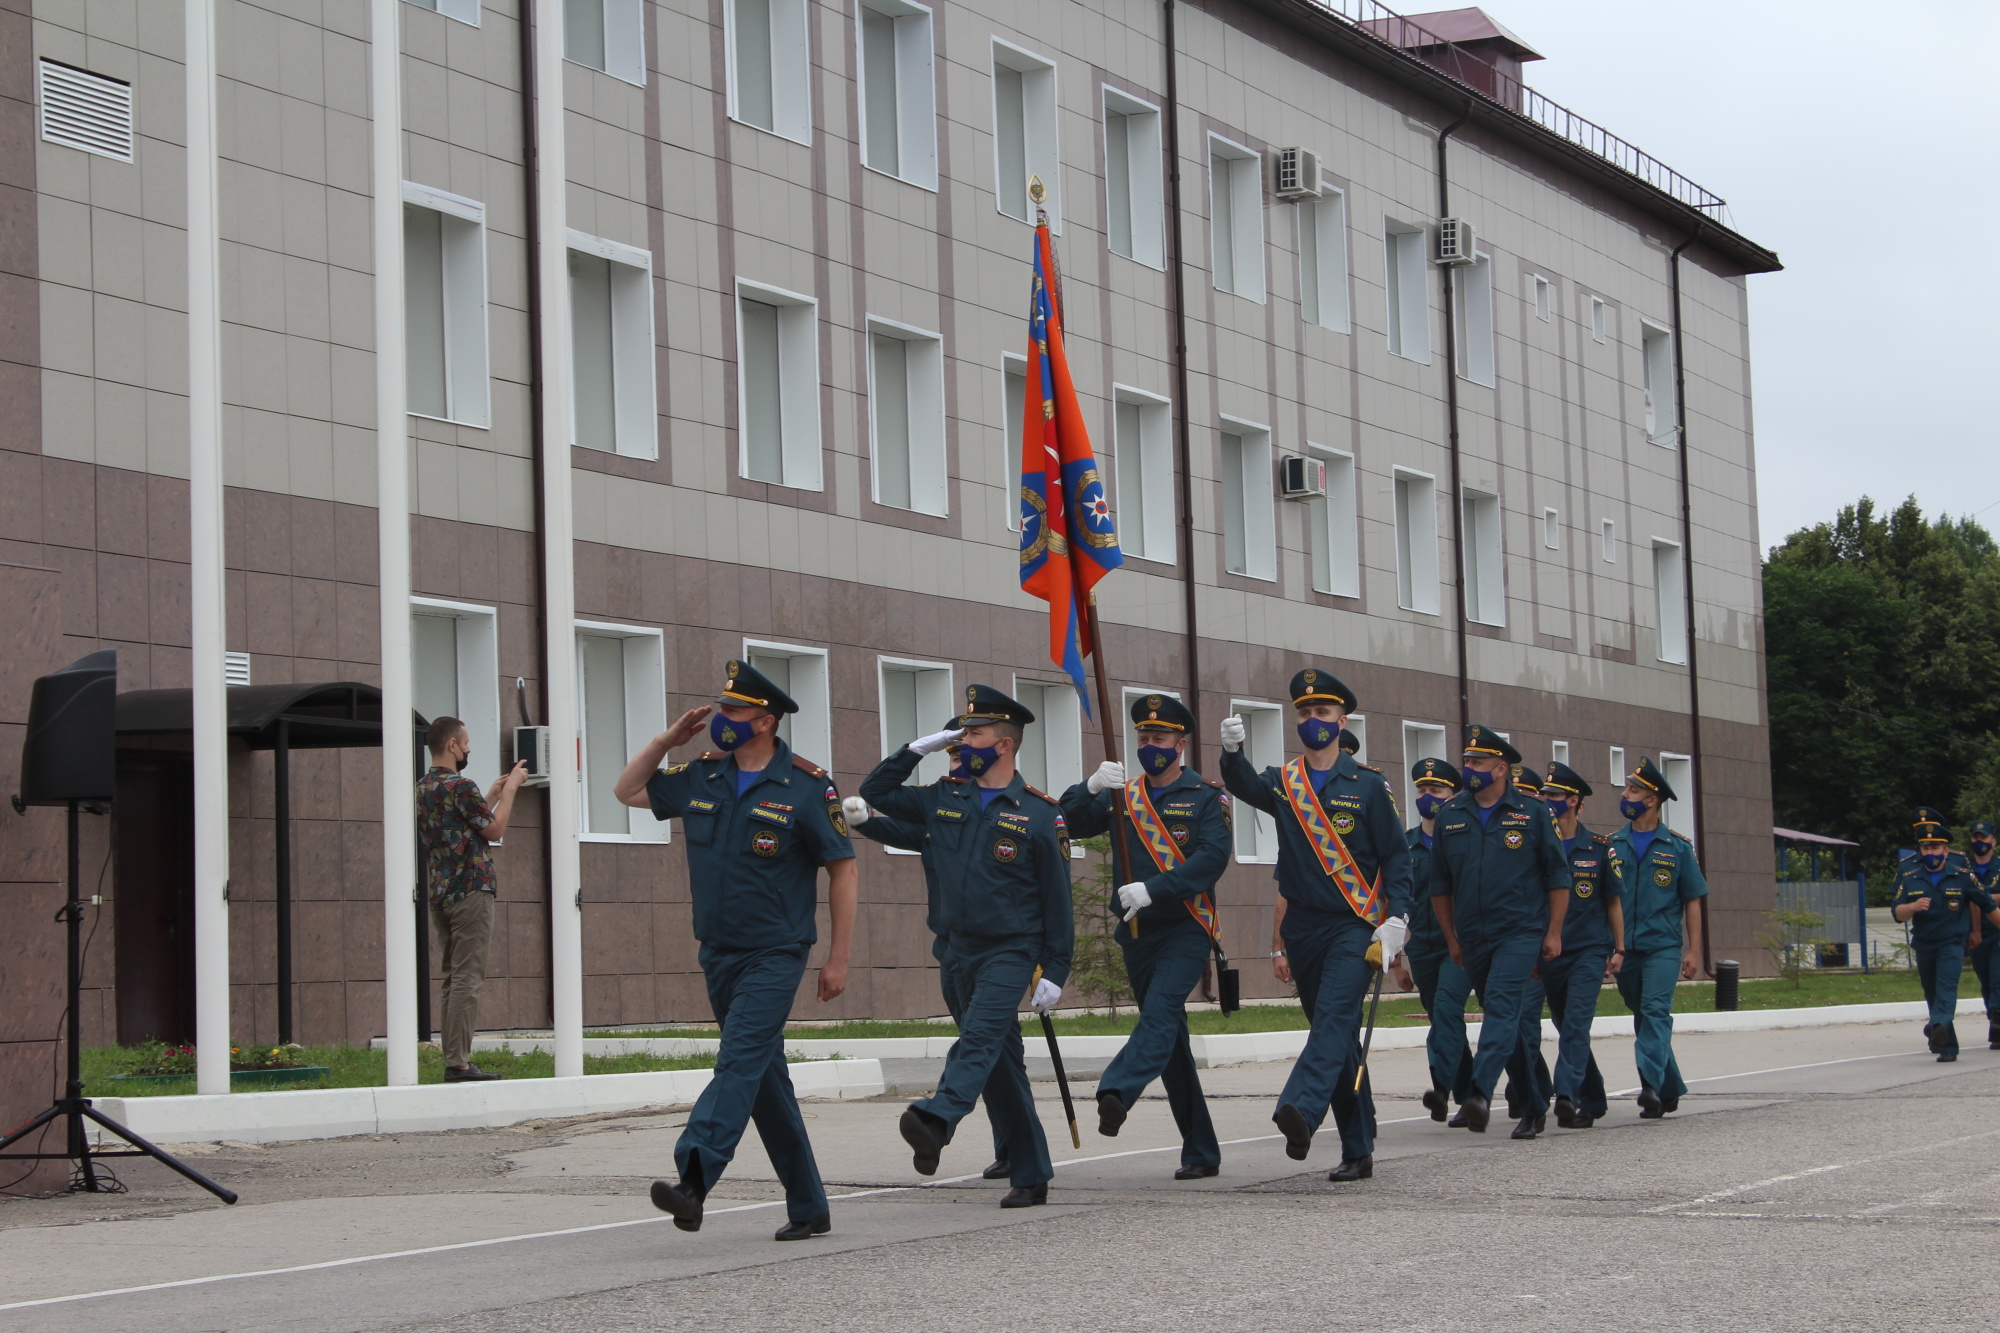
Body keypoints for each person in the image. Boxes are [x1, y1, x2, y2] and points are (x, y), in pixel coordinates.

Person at [612, 659, 857, 1242]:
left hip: (776, 951)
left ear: (765, 721)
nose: (721, 719)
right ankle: (809, 1206)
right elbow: (626, 791)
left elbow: (842, 872)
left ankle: (694, 1179)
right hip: (718, 952)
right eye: (720, 709)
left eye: (733, 711)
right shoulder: (705, 773)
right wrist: (665, 741)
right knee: (763, 1080)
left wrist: (838, 958)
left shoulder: (805, 784)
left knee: (739, 1060)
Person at [861, 684, 1074, 1209]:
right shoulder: (942, 799)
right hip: (954, 951)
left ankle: (938, 1118)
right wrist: (918, 749)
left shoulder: (1040, 815)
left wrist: (1057, 969)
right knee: (998, 1064)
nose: (963, 741)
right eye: (958, 734)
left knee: (979, 1039)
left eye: (973, 734)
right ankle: (1031, 1171)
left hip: (1011, 951)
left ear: (1003, 745)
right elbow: (876, 792)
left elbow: (1057, 901)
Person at [1220, 667, 1410, 1182]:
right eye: (1303, 713)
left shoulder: (1369, 785)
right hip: (1304, 928)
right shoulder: (1285, 784)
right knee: (1339, 1035)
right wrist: (1232, 755)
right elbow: (1242, 787)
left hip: (1354, 926)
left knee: (1331, 1020)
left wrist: (1398, 918)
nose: (1312, 720)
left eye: (1321, 713)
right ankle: (1359, 1145)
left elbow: (1397, 857)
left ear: (1341, 720)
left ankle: (1301, 1109)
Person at [1059, 693, 1231, 1179]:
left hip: (1186, 927)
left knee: (1159, 1014)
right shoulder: (1123, 795)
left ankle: (1117, 1090)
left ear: (1180, 743)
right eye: (1143, 737)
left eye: (1159, 738)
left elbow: (1211, 859)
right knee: (1170, 1043)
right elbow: (1066, 824)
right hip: (1137, 933)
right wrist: (1089, 787)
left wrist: (1156, 888)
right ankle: (1200, 1150)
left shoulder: (1205, 797)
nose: (1150, 744)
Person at [843, 743, 1015, 1182]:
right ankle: (1008, 1146)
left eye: (962, 759)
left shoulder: (1011, 812)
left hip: (998, 953)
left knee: (991, 1050)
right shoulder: (939, 815)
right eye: (951, 759)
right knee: (991, 1054)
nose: (955, 767)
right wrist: (866, 822)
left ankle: (949, 1129)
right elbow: (897, 822)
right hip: (952, 952)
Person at [1428, 725, 1568, 1137]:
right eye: (1467, 761)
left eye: (1477, 762)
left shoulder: (1533, 812)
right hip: (1473, 936)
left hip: (1520, 931)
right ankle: (1535, 1103)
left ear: (1501, 768)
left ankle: (1479, 1093)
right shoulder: (1451, 814)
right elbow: (1440, 886)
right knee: (1506, 1022)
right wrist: (1452, 938)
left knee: (1503, 1008)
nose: (1468, 768)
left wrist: (1554, 932)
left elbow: (1558, 879)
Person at [415, 717, 529, 1084]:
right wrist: (510, 789)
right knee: (468, 978)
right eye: (465, 743)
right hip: (471, 890)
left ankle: (455, 1057)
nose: (468, 749)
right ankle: (459, 1064)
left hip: (440, 892)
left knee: (453, 977)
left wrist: (491, 795)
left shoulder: (424, 788)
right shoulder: (461, 785)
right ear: (451, 745)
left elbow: (460, 826)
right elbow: (492, 831)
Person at [1608, 757, 1704, 1116]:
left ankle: (1648, 1083)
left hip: (1662, 946)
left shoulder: (1678, 847)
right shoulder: (1612, 844)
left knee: (1654, 1011)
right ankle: (1668, 1086)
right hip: (1625, 948)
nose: (1625, 794)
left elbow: (1692, 901)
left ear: (1652, 800)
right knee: (1642, 1014)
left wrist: (1693, 950)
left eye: (1634, 790)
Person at [1539, 761, 1623, 1128]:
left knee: (1576, 1024)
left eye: (1554, 795)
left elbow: (1613, 902)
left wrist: (1620, 949)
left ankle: (1566, 1093)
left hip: (1589, 950)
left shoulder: (1600, 848)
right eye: (1544, 794)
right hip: (1551, 952)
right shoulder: (1540, 844)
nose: (1547, 800)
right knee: (1563, 1022)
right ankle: (1593, 1097)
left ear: (1575, 802)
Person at [1389, 757, 1473, 1124]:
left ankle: (1440, 1088)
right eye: (1421, 790)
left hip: (1460, 945)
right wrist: (1395, 959)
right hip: (1421, 947)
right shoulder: (1404, 845)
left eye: (1435, 790)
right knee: (1444, 1019)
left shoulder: (1465, 840)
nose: (1427, 796)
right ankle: (1470, 1097)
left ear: (1454, 795)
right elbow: (1394, 900)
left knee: (1447, 1011)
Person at [1890, 808, 2000, 1063]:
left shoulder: (1961, 871)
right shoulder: (1909, 874)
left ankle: (1936, 1024)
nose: (1930, 852)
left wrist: (1975, 930)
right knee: (1931, 991)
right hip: (1924, 942)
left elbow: (1985, 904)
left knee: (1946, 988)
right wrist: (1913, 908)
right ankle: (1946, 1044)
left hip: (1952, 941)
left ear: (1945, 849)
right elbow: (1897, 911)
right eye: (1925, 847)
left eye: (1935, 847)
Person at [1964, 819, 2000, 1050]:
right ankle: (1994, 1018)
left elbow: (1973, 899)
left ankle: (1997, 1021)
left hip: (1998, 930)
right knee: (1986, 979)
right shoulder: (1965, 869)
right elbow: (1963, 899)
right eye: (1976, 837)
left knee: (1998, 977)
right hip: (1976, 933)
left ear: (1993, 841)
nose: (1980, 842)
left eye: (1983, 837)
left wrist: (1979, 898)